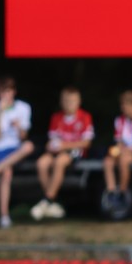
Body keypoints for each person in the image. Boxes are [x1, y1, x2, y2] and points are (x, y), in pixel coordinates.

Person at [30, 86, 94, 221]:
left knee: (59, 161)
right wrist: (51, 146)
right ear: (61, 102)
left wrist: (65, 146)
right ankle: (51, 202)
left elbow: (86, 143)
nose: (69, 104)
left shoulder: (84, 117)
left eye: (72, 101)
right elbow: (52, 140)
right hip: (57, 151)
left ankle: (47, 201)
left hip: (75, 152)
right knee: (42, 163)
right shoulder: (56, 117)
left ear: (78, 102)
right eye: (66, 101)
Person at [0, 76, 34, 228]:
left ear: (14, 92)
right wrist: (0, 113)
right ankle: (4, 217)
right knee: (6, 173)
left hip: (16, 149)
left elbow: (24, 137)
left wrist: (18, 126)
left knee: (29, 146)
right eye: (2, 91)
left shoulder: (23, 108)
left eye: (8, 91)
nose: (5, 95)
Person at [102, 90, 132, 216]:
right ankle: (112, 192)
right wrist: (117, 151)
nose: (123, 108)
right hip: (124, 151)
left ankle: (122, 194)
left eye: (126, 105)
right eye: (122, 105)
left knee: (124, 160)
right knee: (108, 160)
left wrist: (126, 150)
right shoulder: (120, 120)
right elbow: (119, 142)